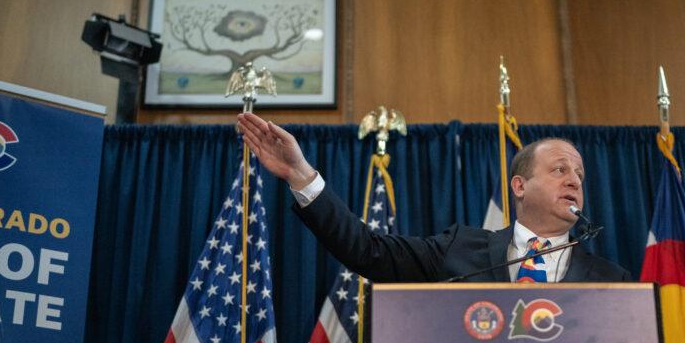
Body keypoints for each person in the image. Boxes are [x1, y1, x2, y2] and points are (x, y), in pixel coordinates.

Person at [236, 113, 630, 282]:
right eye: (560, 170)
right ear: (519, 186)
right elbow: (367, 251)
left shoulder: (612, 281)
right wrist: (300, 174)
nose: (574, 181)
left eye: (579, 174)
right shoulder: (461, 250)